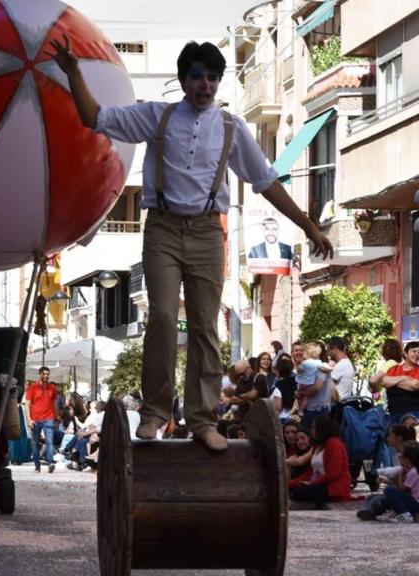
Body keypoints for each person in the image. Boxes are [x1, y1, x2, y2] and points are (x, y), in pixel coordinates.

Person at [48, 38, 334, 453]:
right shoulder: (156, 117)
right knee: (162, 317)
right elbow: (95, 117)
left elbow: (266, 181)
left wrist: (308, 226)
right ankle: (155, 413)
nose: (205, 84)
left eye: (213, 77)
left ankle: (202, 419)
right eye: (197, 76)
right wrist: (73, 71)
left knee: (205, 328)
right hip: (162, 228)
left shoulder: (232, 128)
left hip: (205, 233)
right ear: (183, 79)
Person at [357, 441, 419, 523]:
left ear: (407, 459)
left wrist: (400, 475)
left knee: (388, 491)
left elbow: (402, 488)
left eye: (401, 456)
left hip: (418, 504)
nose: (399, 457)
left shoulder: (413, 472)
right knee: (372, 497)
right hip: (417, 502)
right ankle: (380, 512)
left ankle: (406, 515)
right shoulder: (414, 470)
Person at [288, 416, 352, 509]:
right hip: (319, 484)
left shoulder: (334, 443)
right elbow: (309, 473)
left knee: (299, 492)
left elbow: (333, 474)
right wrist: (291, 483)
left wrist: (312, 483)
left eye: (314, 427)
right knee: (293, 488)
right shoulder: (317, 447)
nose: (312, 430)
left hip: (332, 487)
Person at [373, 341, 419, 425]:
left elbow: (415, 385)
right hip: (396, 414)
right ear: (405, 353)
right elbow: (385, 382)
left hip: (417, 414)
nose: (417, 354)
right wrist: (404, 378)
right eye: (414, 351)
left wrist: (394, 383)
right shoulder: (394, 368)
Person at [25, 367, 59, 473]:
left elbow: (54, 404)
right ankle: (37, 465)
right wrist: (29, 420)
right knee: (35, 443)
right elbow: (27, 405)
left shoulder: (52, 388)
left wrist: (56, 417)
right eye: (44, 374)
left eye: (48, 374)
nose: (46, 376)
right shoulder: (33, 387)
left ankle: (50, 463)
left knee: (49, 441)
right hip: (35, 419)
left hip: (49, 418)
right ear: (40, 374)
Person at [292, 342, 332, 423]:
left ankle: (301, 410)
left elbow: (317, 388)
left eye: (303, 351)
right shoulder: (308, 366)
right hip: (310, 409)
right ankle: (301, 410)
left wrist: (301, 393)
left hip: (317, 409)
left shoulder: (321, 365)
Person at [373, 338, 403, 405]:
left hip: (388, 405)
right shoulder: (401, 364)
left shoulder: (389, 363)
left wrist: (374, 390)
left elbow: (374, 381)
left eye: (383, 348)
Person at [326, 337, 356, 402]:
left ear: (334, 350)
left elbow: (326, 386)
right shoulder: (346, 362)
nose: (328, 354)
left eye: (328, 351)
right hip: (343, 402)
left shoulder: (340, 366)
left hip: (337, 405)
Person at [270, 355, 296, 423]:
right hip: (294, 416)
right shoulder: (296, 383)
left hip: (282, 418)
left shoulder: (278, 387)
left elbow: (278, 407)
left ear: (278, 371)